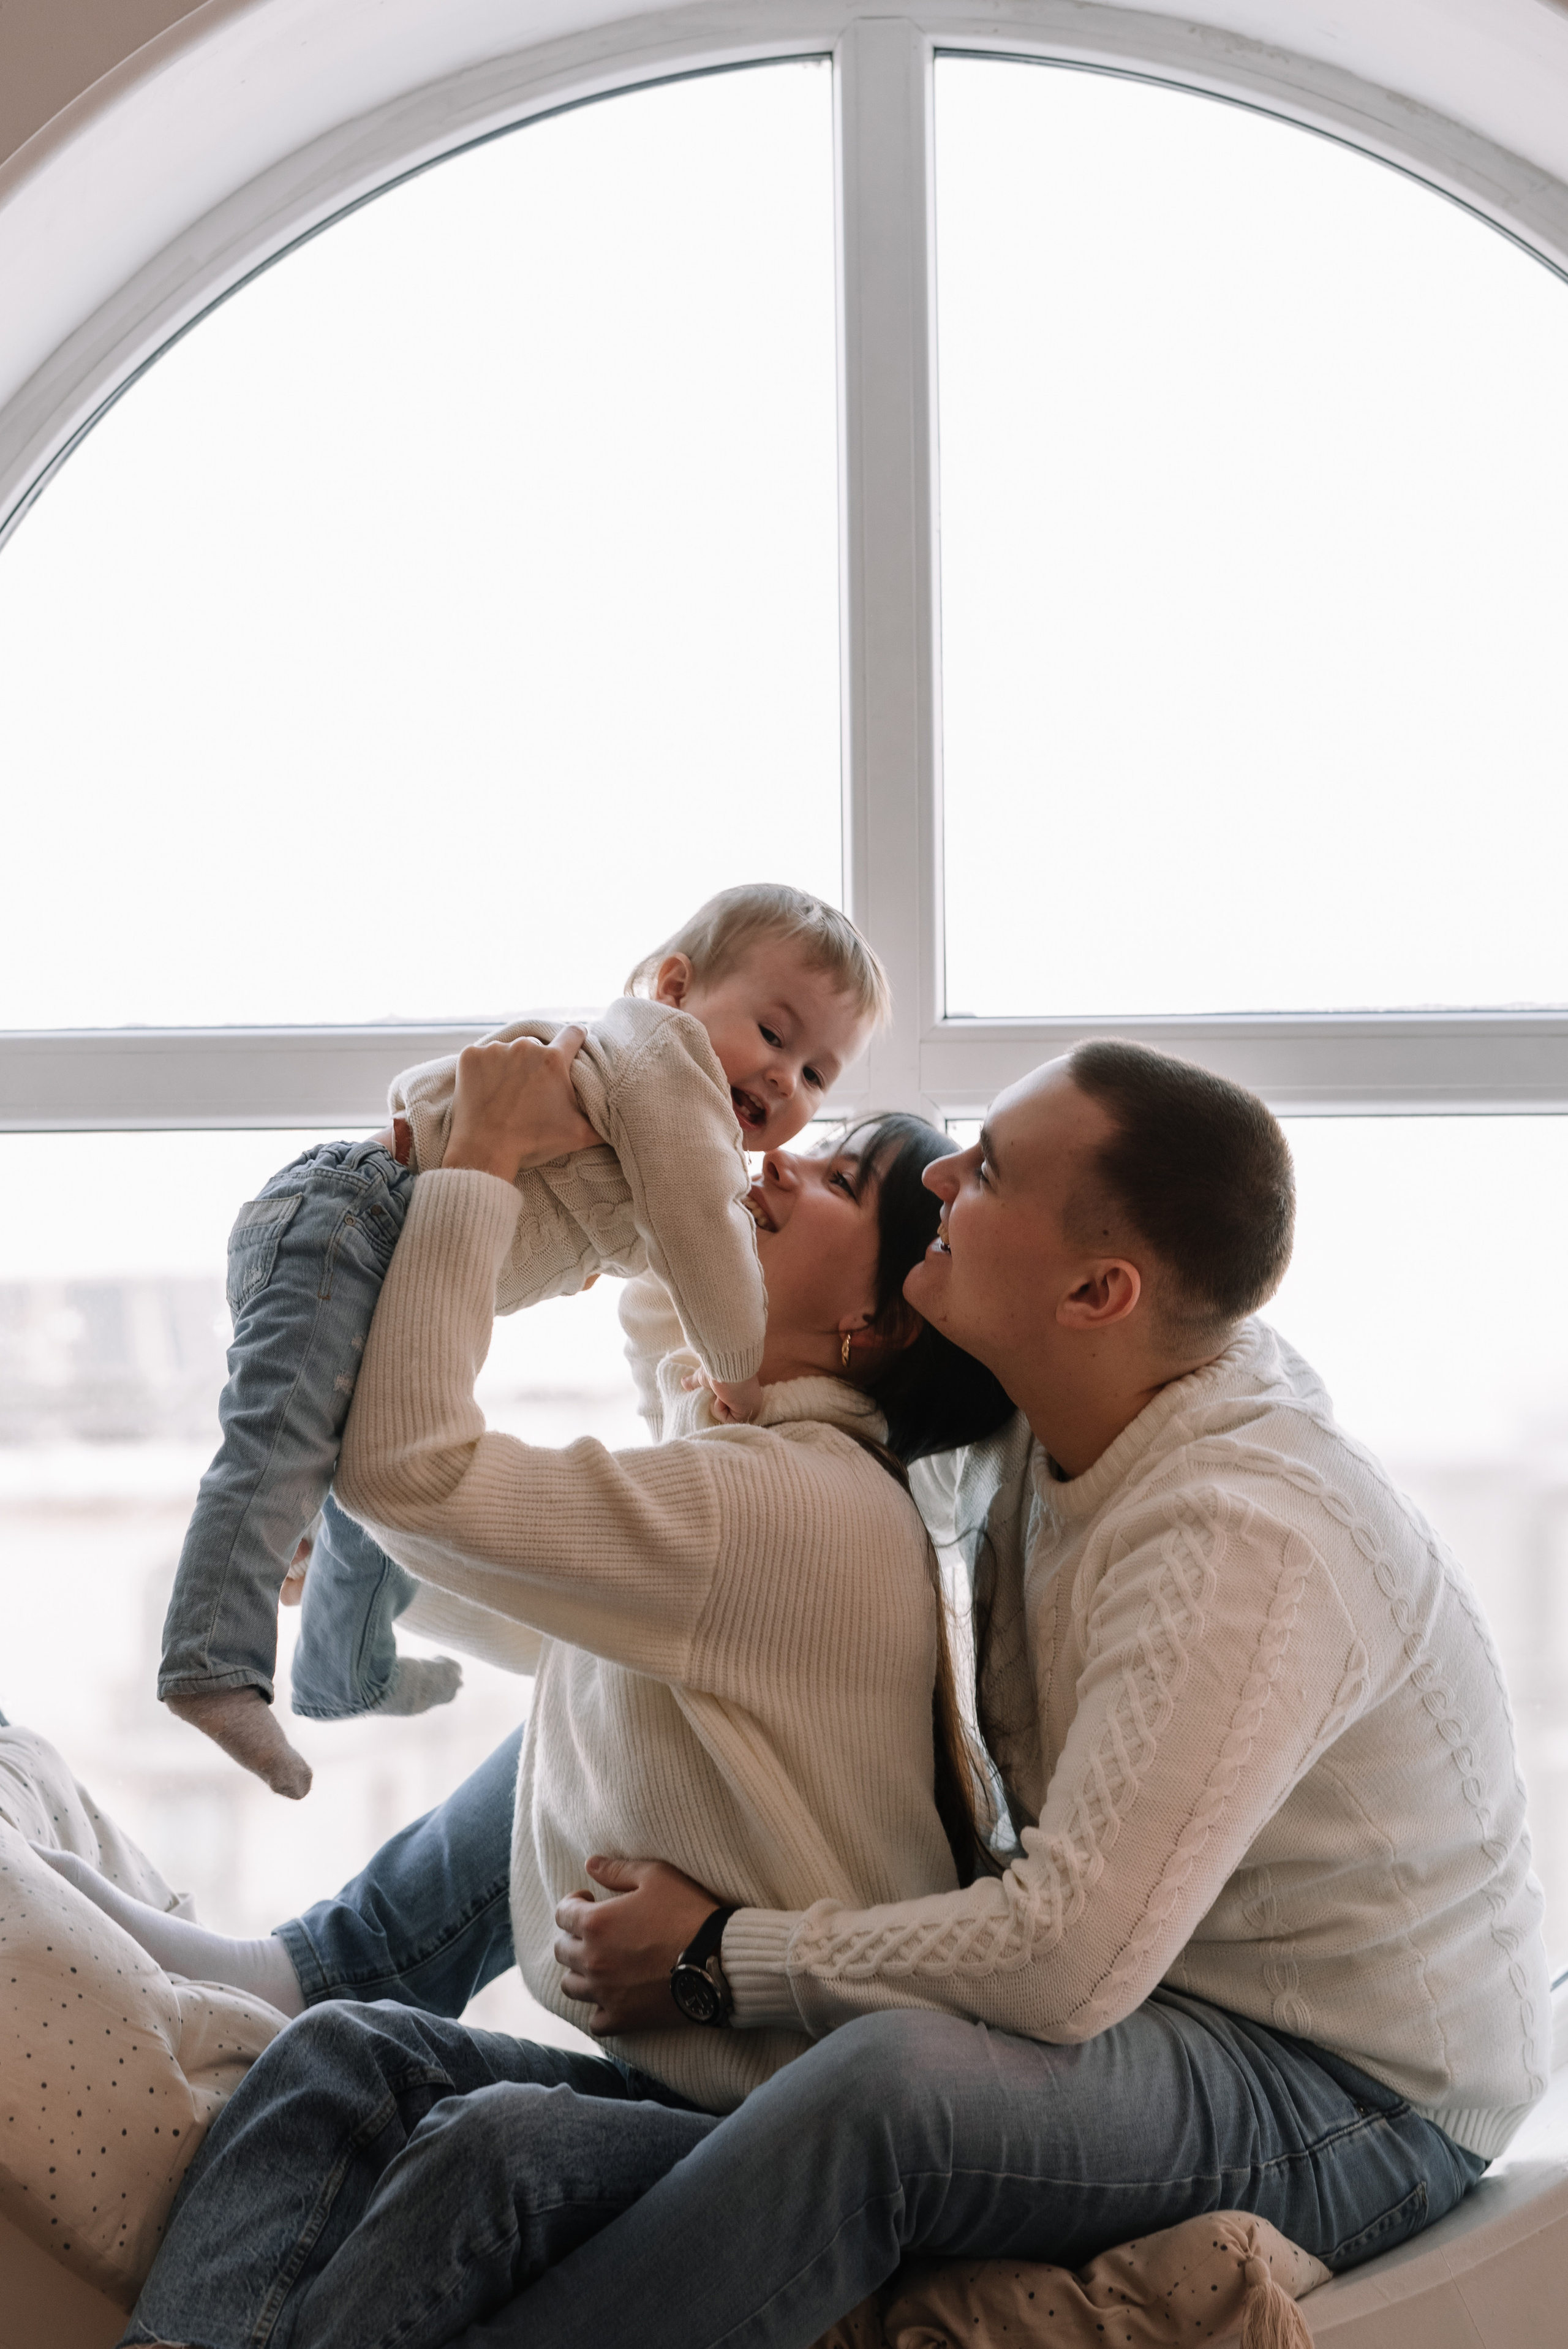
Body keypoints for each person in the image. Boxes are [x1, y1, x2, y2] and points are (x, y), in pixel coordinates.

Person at [118, 1040, 1550, 2349]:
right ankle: (332, 1970)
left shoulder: (1243, 1531)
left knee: (890, 2091)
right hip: (1142, 2000)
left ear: (1095, 1291)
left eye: (982, 1175)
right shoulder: (1046, 1410)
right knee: (466, 2102)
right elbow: (711, 1435)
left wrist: (720, 1958)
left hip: (1342, 2090)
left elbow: (1063, 1965)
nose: (940, 1176)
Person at [156, 882, 888, 1801]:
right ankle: (210, 1664)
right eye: (776, 1036)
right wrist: (740, 1363)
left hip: (369, 1236)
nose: (788, 1080)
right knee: (278, 1445)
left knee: (357, 1456)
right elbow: (704, 1234)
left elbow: (662, 1268)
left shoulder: (657, 1095)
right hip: (349, 1221)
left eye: (819, 1075)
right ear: (674, 986)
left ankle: (344, 1666)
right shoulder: (668, 1063)